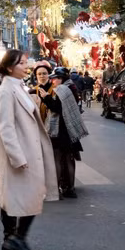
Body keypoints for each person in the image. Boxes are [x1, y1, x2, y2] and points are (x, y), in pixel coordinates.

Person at [0, 49, 58, 250]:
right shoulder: (5, 91)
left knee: (23, 197)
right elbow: (6, 127)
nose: (26, 66)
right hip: (20, 155)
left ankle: (13, 240)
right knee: (18, 198)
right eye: (22, 63)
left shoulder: (20, 87)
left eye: (25, 62)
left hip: (30, 151)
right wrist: (17, 157)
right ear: (10, 66)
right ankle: (14, 239)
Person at [39, 68, 88, 199]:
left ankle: (57, 190)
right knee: (69, 159)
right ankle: (70, 189)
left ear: (61, 78)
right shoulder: (71, 87)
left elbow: (57, 108)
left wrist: (46, 98)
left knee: (57, 158)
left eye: (55, 78)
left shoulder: (63, 89)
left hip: (60, 130)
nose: (53, 81)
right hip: (69, 129)